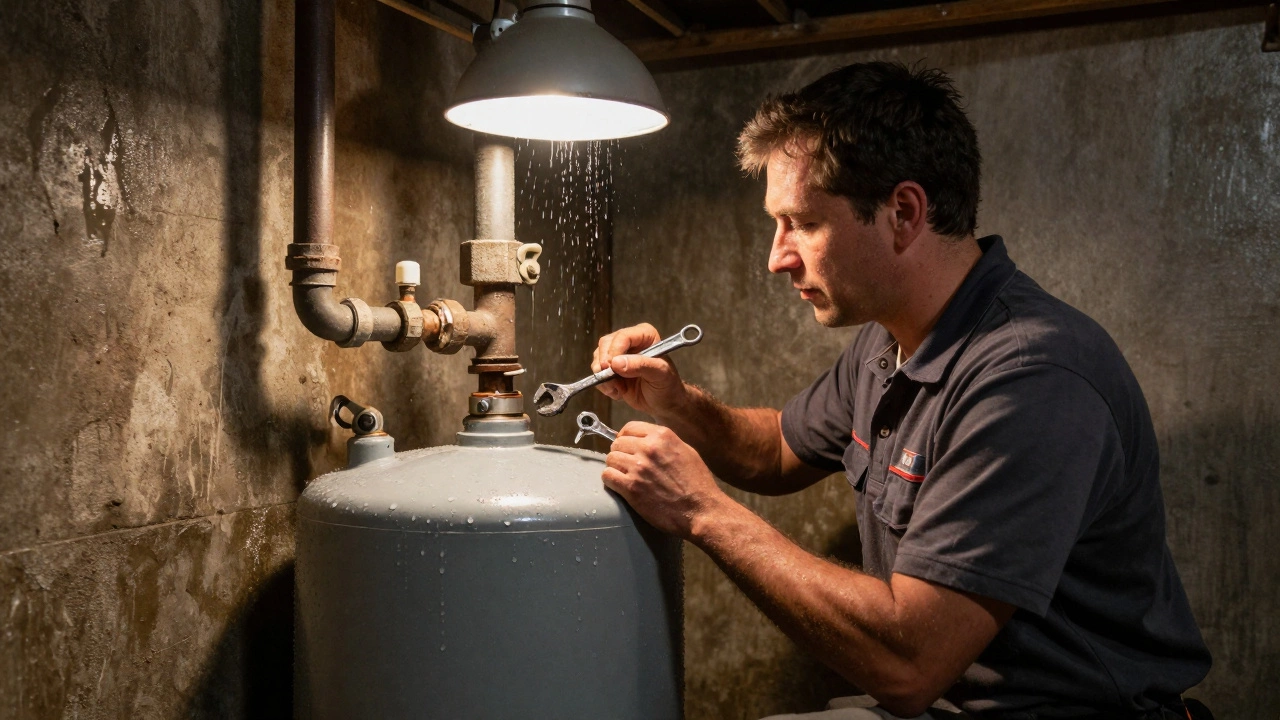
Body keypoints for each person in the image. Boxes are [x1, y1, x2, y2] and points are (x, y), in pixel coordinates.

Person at [590, 62, 1212, 719]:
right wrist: (678, 405)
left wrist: (703, 512)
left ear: (903, 213)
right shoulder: (890, 343)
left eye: (800, 222)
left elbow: (909, 662)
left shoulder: (1031, 378)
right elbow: (775, 450)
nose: (777, 257)